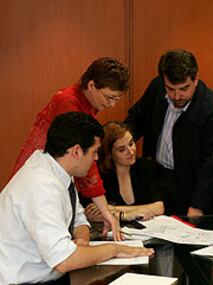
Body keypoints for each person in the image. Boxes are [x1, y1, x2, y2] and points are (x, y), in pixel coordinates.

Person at [0, 112, 154, 285]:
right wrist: (115, 249)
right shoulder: (41, 186)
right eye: (95, 152)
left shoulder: (58, 168)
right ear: (76, 151)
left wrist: (81, 238)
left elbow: (78, 217)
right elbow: (63, 260)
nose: (96, 158)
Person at [10, 57, 130, 240]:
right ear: (91, 85)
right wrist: (106, 211)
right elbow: (87, 167)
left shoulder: (82, 102)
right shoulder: (68, 103)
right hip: (39, 186)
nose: (112, 104)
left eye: (117, 99)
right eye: (110, 97)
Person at [124, 49, 213, 217]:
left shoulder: (212, 109)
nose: (177, 96)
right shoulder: (157, 87)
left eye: (184, 88)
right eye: (170, 89)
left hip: (192, 186)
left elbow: (211, 163)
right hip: (157, 178)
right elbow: (136, 119)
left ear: (196, 79)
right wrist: (120, 144)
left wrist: (198, 204)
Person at [81, 121, 164, 221]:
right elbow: (90, 213)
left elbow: (159, 208)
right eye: (121, 149)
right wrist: (129, 214)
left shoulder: (146, 167)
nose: (130, 151)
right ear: (110, 154)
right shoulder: (99, 174)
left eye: (131, 143)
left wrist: (113, 209)